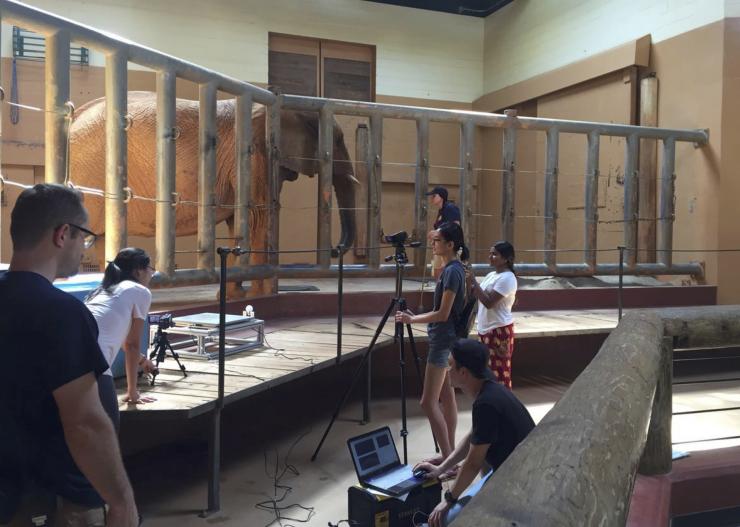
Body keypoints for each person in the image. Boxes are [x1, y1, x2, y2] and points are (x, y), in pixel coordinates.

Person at [0, 184, 138, 527]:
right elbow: (84, 424)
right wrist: (121, 502)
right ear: (63, 234)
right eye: (85, 237)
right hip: (54, 499)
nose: (84, 248)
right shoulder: (60, 313)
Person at [415, 339, 535, 527]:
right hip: (513, 470)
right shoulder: (488, 383)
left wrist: (448, 500)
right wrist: (442, 468)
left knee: (443, 520)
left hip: (518, 483)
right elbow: (474, 436)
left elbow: (473, 463)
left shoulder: (486, 403)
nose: (447, 370)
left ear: (463, 373)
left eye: (451, 366)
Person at [395, 222, 468, 463]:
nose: (433, 244)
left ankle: (448, 459)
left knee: (428, 402)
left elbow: (443, 313)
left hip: (443, 342)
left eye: (437, 240)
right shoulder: (453, 268)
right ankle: (451, 453)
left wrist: (411, 318)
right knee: (447, 397)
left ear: (450, 244)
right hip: (448, 340)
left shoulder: (452, 272)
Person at [85, 248, 158, 429]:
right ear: (138, 270)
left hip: (68, 360)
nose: (151, 273)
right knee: (109, 428)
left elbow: (118, 339)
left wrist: (142, 361)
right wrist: (133, 392)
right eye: (150, 268)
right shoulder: (139, 291)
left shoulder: (101, 291)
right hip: (93, 365)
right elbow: (132, 344)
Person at [467, 241, 517, 389]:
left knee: (499, 373)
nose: (490, 256)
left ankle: (504, 406)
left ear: (506, 258)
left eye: (495, 254)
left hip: (498, 330)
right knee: (486, 371)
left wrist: (473, 281)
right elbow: (478, 294)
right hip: (486, 329)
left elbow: (489, 302)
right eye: (490, 253)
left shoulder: (508, 278)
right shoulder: (491, 275)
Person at [425, 187, 461, 281]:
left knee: (445, 270)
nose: (431, 198)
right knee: (436, 269)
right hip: (439, 244)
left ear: (441, 197)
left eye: (434, 196)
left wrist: (437, 231)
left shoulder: (450, 208)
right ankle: (440, 289)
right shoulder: (441, 210)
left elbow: (456, 226)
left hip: (448, 246)